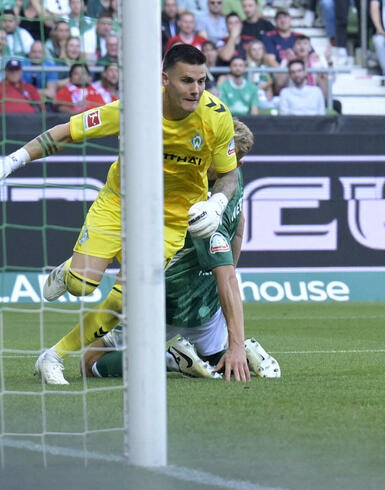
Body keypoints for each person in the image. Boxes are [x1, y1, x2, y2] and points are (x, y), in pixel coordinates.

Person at [1, 45, 239, 385]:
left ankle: (52, 357)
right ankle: (70, 272)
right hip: (120, 204)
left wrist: (216, 205)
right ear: (164, 79)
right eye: (187, 80)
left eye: (202, 81)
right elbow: (68, 132)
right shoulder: (134, 109)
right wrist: (13, 161)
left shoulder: (217, 116)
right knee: (82, 286)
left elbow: (229, 175)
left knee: (125, 300)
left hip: (170, 222)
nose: (196, 89)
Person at [81, 121, 279, 382]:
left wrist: (236, 343)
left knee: (90, 363)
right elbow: (239, 228)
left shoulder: (199, 205)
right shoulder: (234, 178)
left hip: (163, 299)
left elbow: (226, 275)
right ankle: (233, 354)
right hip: (206, 305)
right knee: (213, 359)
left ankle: (173, 360)